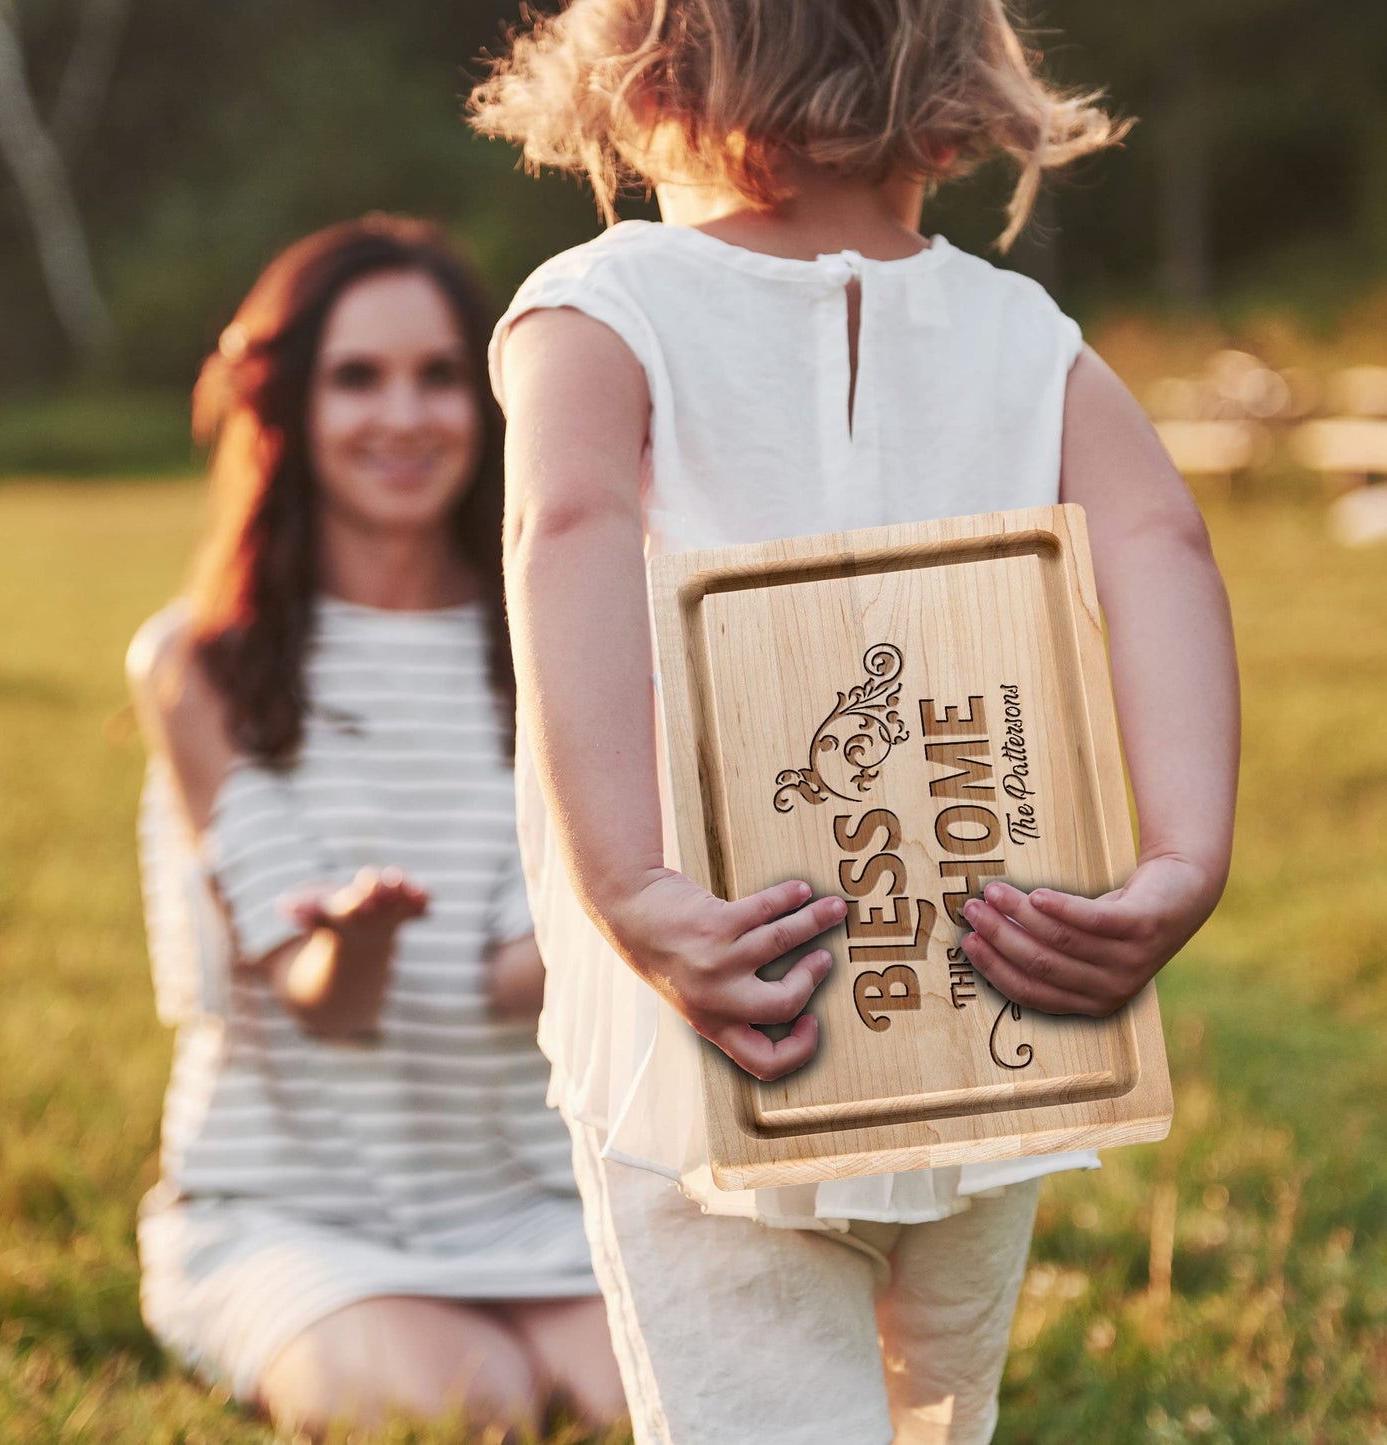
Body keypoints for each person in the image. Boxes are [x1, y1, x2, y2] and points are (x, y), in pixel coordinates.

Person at [469, 4, 1240, 1443]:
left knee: (758, 1404)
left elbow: (563, 529)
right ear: (959, 91)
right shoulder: (1022, 331)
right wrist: (1179, 859)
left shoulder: (602, 304)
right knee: (946, 1407)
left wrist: (635, 887)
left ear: (644, 77)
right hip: (982, 982)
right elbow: (1164, 546)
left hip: (728, 989)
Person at [126, 214, 626, 1438]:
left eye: (438, 375)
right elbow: (323, 999)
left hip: (536, 1198)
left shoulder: (555, 640)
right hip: (295, 1208)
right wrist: (355, 935)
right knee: (472, 1405)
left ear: (489, 399)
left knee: (651, 1402)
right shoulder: (199, 665)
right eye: (358, 377)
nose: (402, 416)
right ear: (289, 404)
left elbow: (523, 979)